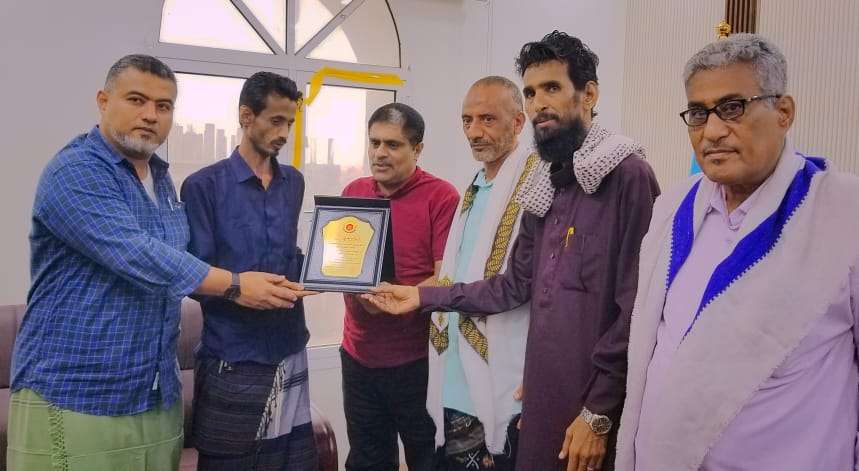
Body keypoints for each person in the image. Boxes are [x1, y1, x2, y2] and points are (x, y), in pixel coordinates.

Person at [364, 32, 660, 471]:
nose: (539, 103)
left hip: (590, 407)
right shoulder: (547, 182)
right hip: (540, 397)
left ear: (589, 94)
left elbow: (636, 308)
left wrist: (598, 411)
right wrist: (421, 296)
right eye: (531, 92)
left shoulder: (627, 176)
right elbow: (513, 286)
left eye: (552, 88)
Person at [7, 55, 302, 471]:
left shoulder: (161, 180)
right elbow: (139, 254)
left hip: (155, 394)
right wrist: (236, 284)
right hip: (77, 393)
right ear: (103, 101)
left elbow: (183, 258)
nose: (150, 115)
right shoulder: (75, 171)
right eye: (136, 100)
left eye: (163, 106)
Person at [616, 33, 859, 471]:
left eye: (733, 107)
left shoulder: (842, 213)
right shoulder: (672, 207)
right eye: (698, 113)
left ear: (784, 112)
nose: (711, 131)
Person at [181, 71, 318, 470]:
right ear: (246, 116)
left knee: (294, 464)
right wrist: (239, 288)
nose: (284, 133)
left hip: (290, 346)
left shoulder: (293, 182)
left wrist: (326, 272)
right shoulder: (202, 186)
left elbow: (289, 255)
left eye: (289, 122)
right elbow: (193, 276)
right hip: (233, 357)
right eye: (275, 121)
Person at [340, 102, 460, 471]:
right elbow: (343, 265)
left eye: (392, 144)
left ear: (417, 148)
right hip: (357, 355)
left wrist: (395, 297)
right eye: (374, 142)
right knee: (367, 460)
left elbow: (445, 278)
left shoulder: (442, 197)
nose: (380, 153)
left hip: (417, 362)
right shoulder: (353, 190)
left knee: (428, 459)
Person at [429, 76, 533, 471]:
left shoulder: (536, 185)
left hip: (506, 374)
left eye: (487, 119)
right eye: (467, 120)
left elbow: (536, 290)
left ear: (518, 122)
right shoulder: (475, 186)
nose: (474, 132)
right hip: (456, 376)